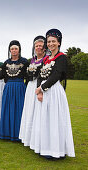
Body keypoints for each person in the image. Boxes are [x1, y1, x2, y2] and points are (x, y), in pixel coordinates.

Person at [30, 29, 75, 159]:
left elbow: (57, 75)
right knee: (44, 120)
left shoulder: (61, 58)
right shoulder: (45, 59)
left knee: (55, 120)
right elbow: (39, 74)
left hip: (54, 91)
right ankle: (44, 147)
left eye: (53, 41)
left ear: (59, 43)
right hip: (43, 92)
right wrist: (39, 90)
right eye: (49, 41)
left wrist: (42, 88)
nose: (51, 44)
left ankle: (56, 150)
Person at [0, 40, 29, 141]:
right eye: (12, 49)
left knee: (19, 110)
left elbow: (28, 76)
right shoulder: (6, 63)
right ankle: (7, 134)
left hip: (20, 87)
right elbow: (4, 76)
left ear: (19, 49)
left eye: (16, 48)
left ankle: (19, 134)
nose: (14, 50)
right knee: (7, 109)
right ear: (9, 50)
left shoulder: (24, 62)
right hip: (9, 87)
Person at [19, 36, 46, 145]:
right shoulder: (32, 60)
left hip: (39, 86)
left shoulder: (46, 59)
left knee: (38, 110)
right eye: (36, 46)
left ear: (44, 47)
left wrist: (41, 90)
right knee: (30, 110)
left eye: (40, 45)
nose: (38, 47)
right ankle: (29, 137)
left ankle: (39, 139)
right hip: (30, 86)